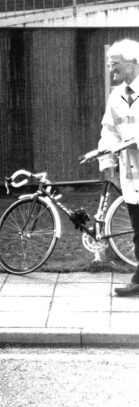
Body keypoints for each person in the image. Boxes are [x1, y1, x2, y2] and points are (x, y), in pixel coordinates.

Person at [98, 38, 139, 296]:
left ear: (134, 64)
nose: (111, 70)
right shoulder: (116, 96)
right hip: (131, 177)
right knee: (138, 230)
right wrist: (106, 161)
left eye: (116, 65)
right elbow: (109, 131)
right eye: (109, 65)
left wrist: (130, 141)